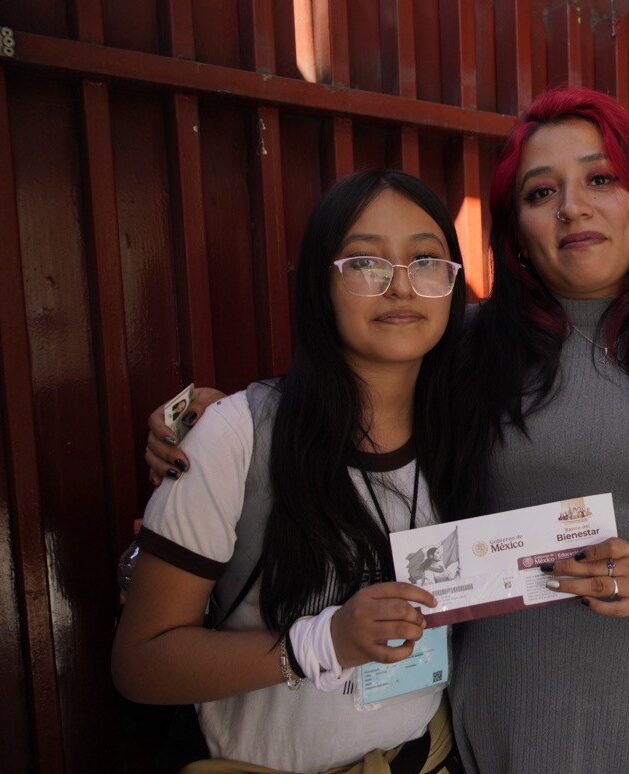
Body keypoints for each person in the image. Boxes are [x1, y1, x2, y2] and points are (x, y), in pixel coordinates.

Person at [143, 87, 629, 773]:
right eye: (540, 192)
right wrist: (213, 419)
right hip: (510, 715)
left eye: (601, 179)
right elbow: (349, 390)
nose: (573, 207)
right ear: (514, 227)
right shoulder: (463, 344)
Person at [114, 170, 467, 773]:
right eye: (365, 262)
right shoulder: (237, 434)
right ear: (319, 287)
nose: (401, 287)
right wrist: (319, 644)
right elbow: (141, 663)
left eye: (426, 260)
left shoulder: (468, 433)